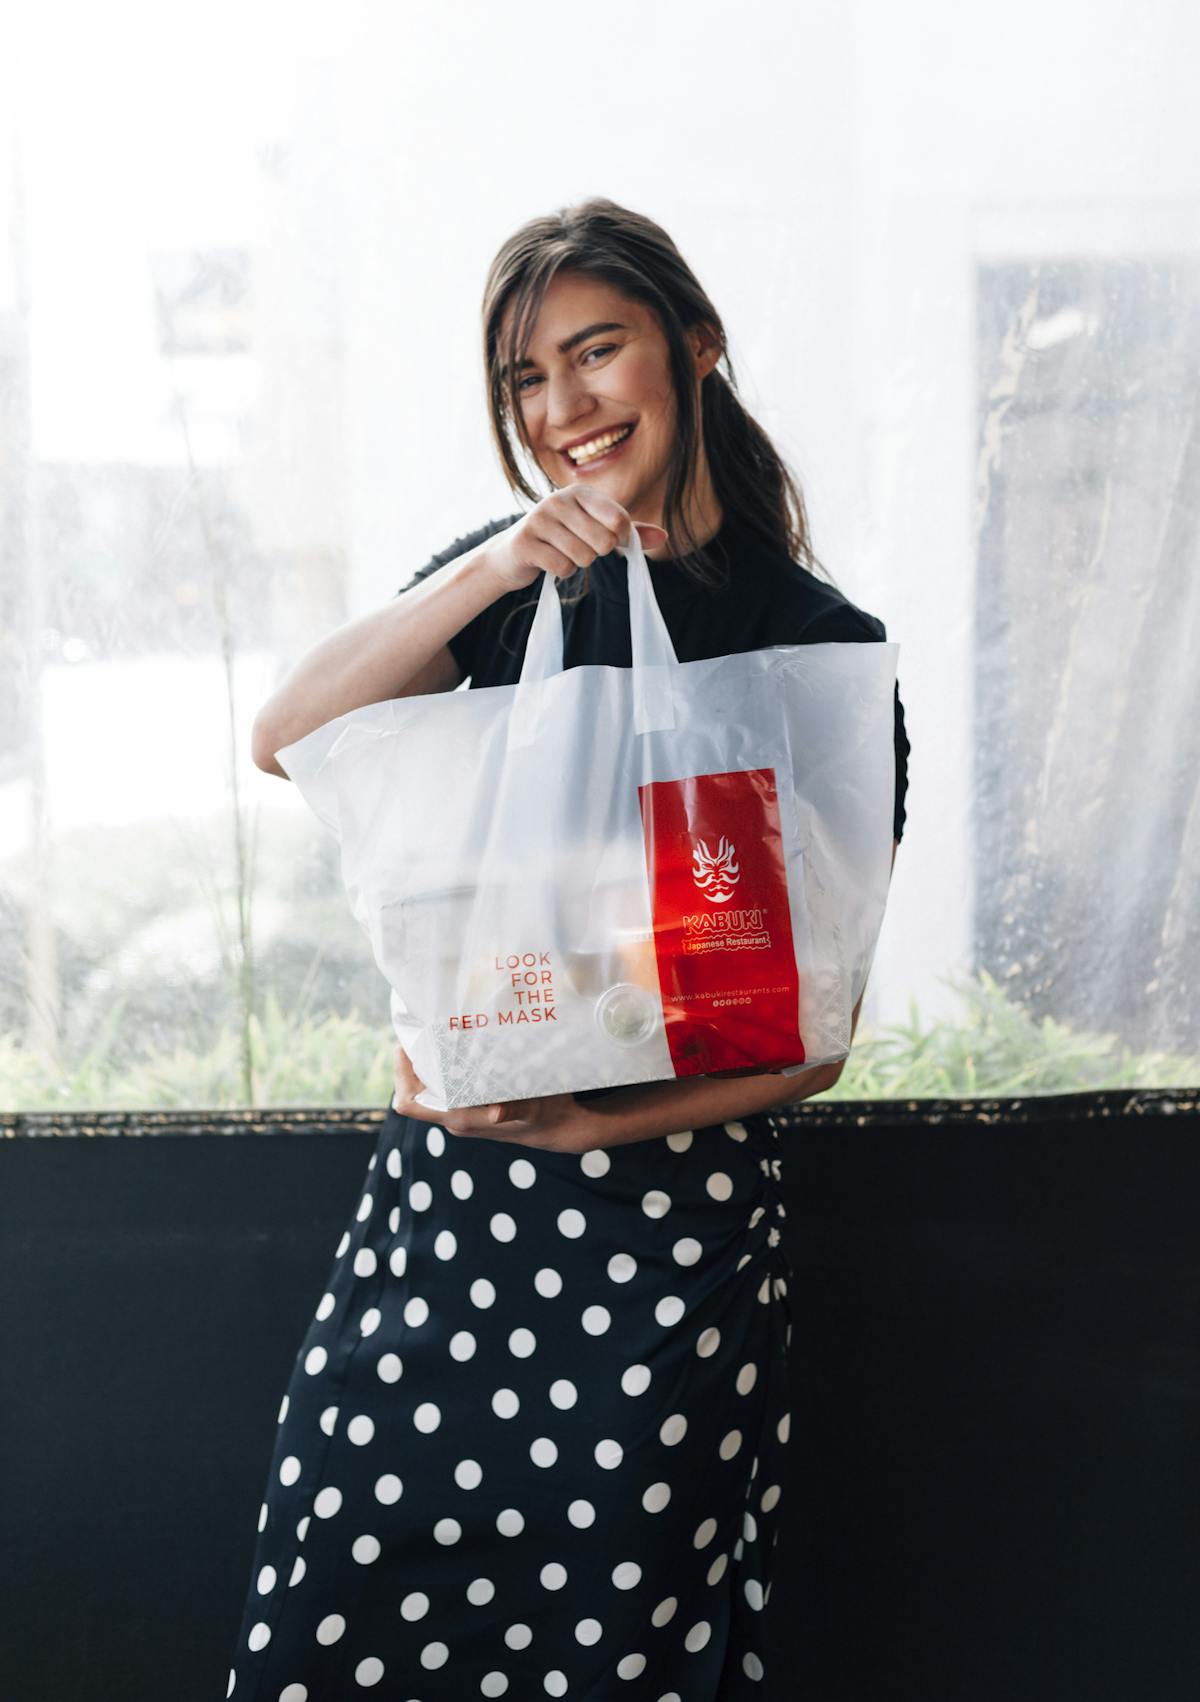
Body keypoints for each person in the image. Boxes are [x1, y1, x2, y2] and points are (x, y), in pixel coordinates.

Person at [231, 197, 909, 1701]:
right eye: (527, 380)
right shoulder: (504, 594)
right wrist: (492, 569)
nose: (563, 408)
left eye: (596, 352)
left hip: (669, 1263)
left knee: (615, 1652)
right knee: (337, 1627)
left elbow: (812, 1040)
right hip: (444, 1224)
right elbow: (285, 736)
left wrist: (588, 1120)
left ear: (697, 348)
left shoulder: (815, 649)